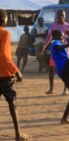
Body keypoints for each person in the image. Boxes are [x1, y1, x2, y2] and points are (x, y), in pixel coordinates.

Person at [0, 9, 31, 141]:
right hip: (5, 75)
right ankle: (18, 135)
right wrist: (16, 70)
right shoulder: (5, 33)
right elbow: (4, 56)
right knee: (12, 104)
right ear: (3, 20)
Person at [42, 9, 69, 95]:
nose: (61, 16)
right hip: (55, 50)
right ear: (57, 16)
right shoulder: (54, 25)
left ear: (65, 16)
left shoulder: (68, 26)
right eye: (59, 15)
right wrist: (44, 46)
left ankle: (65, 90)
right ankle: (51, 89)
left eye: (62, 15)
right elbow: (49, 36)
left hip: (64, 51)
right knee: (51, 69)